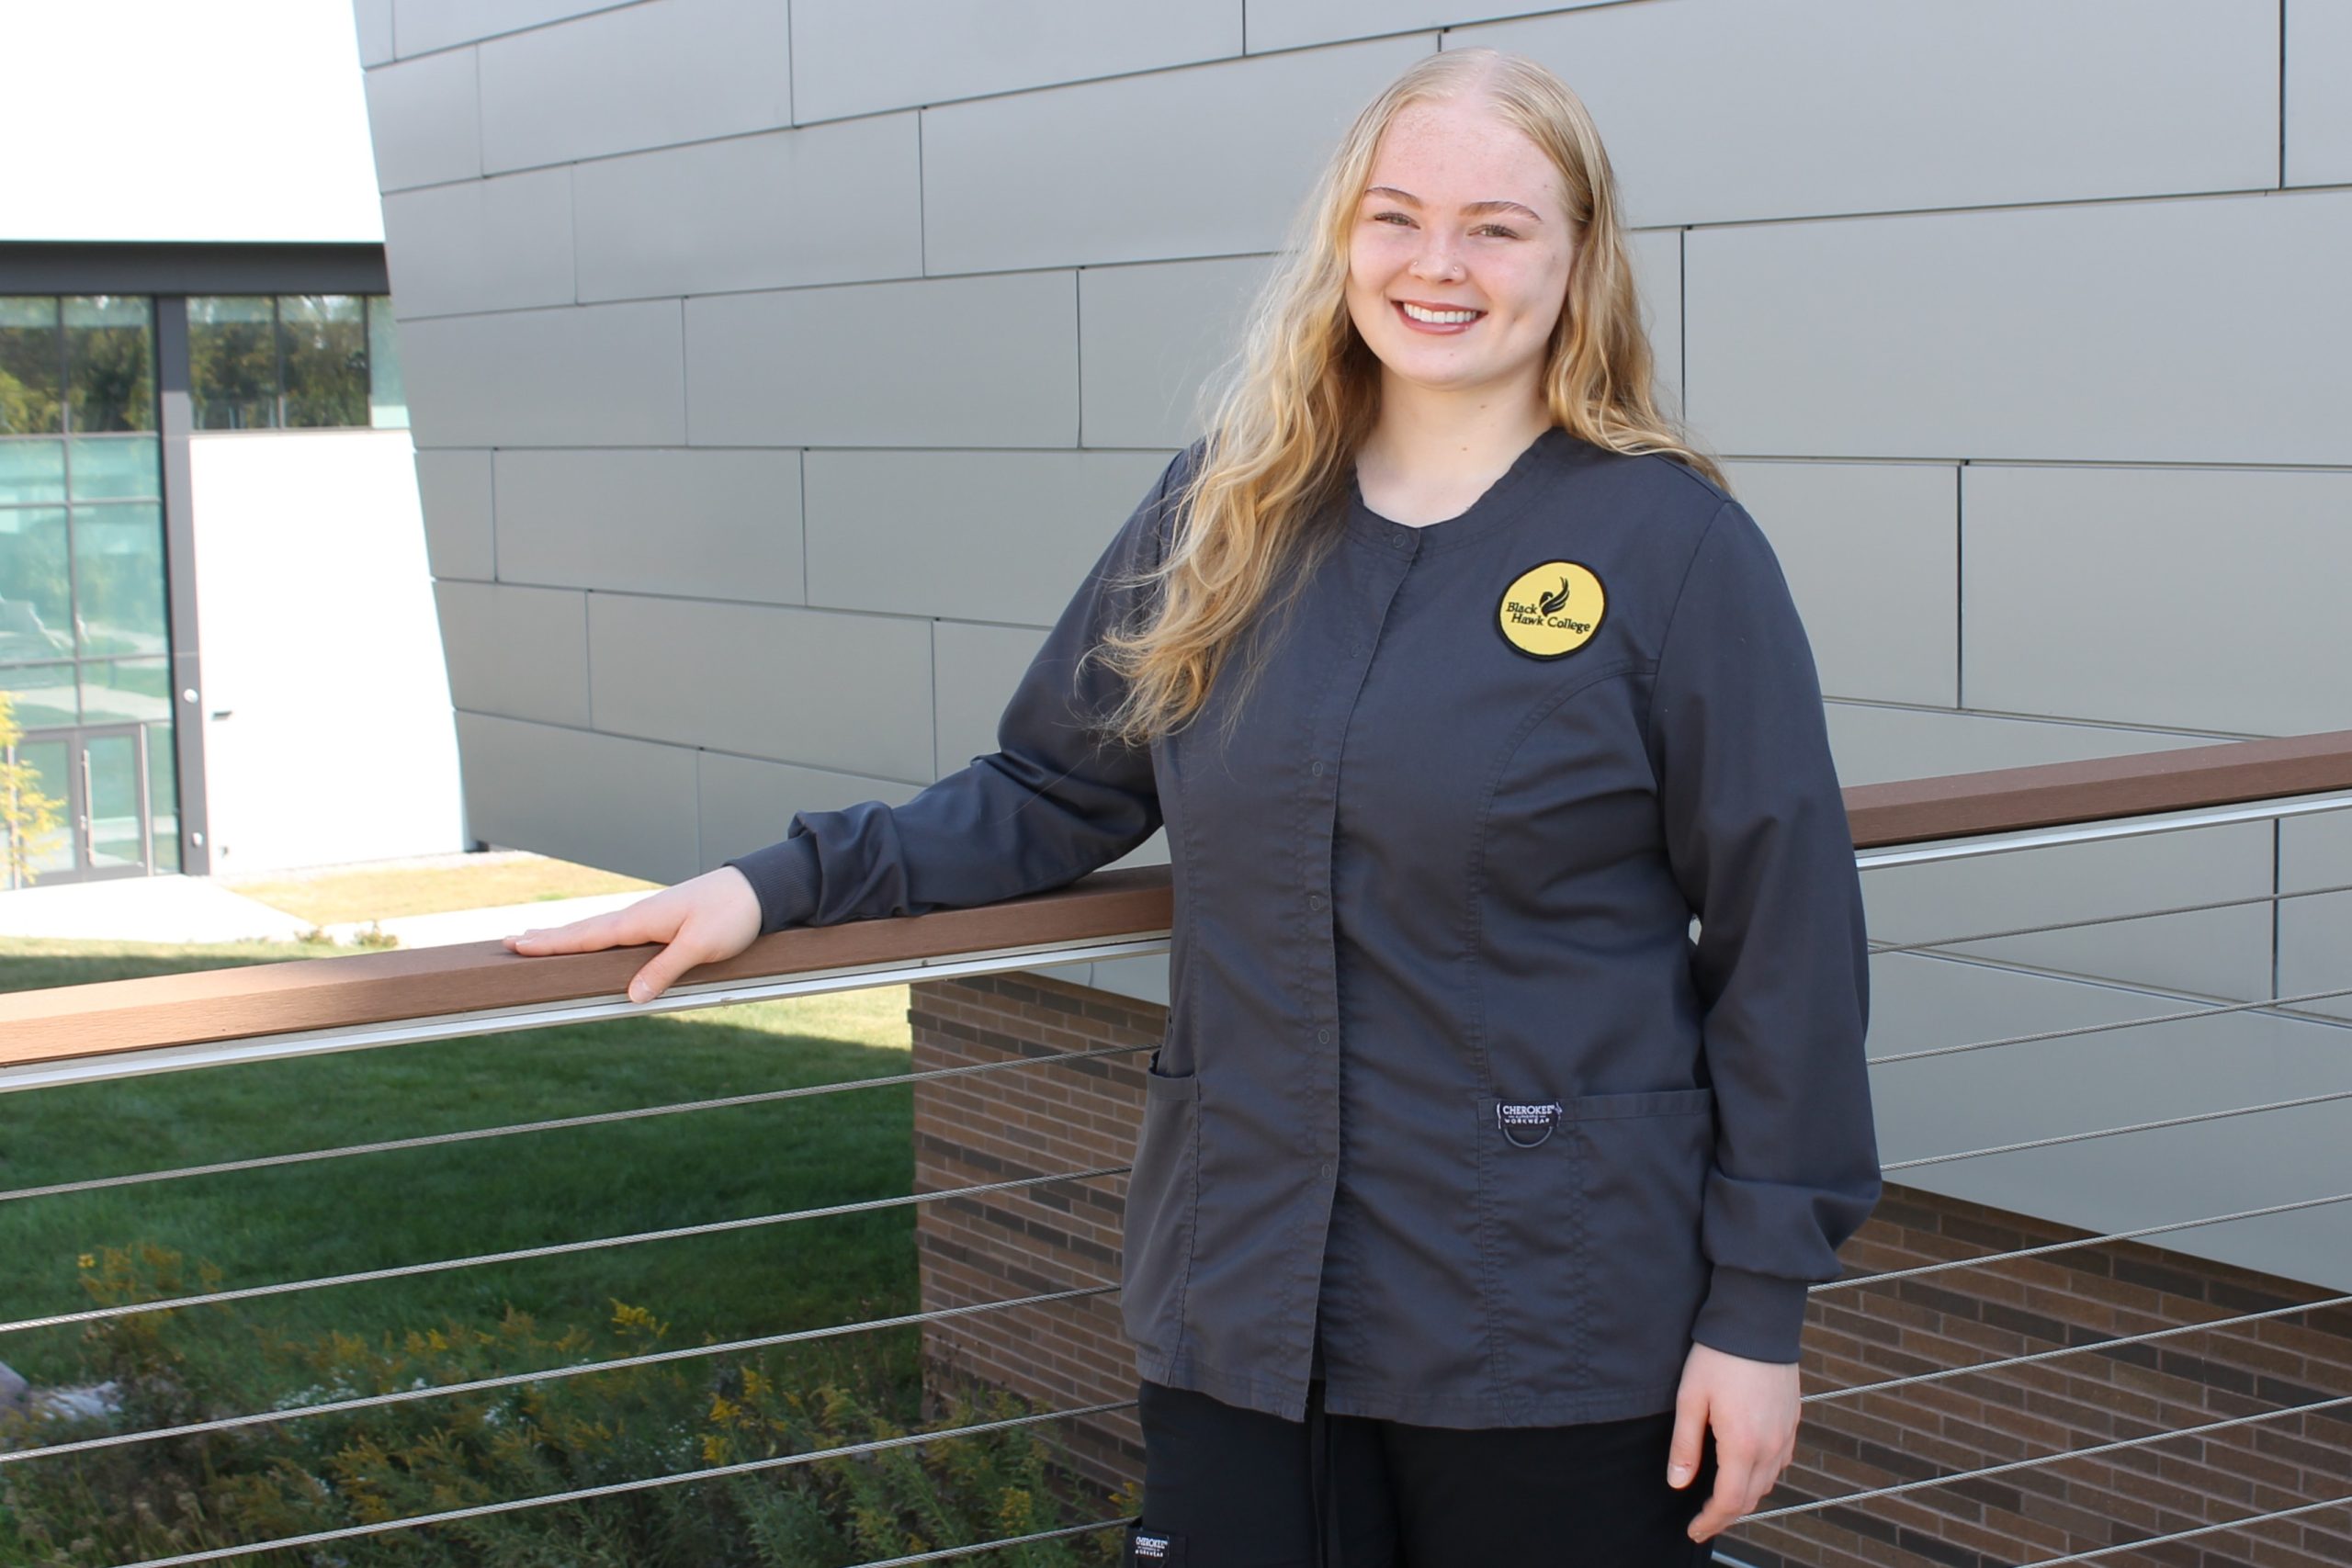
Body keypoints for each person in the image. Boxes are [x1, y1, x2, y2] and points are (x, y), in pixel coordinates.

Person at [506, 47, 1878, 1568]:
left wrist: (1757, 1312)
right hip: (1247, 1289)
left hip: (1549, 1306)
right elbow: (1050, 787)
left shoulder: (1674, 547)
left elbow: (1786, 944)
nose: (1438, 265)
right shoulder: (1229, 502)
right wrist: (769, 888)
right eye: (1395, 215)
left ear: (1577, 261)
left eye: (1498, 226)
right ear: (1341, 240)